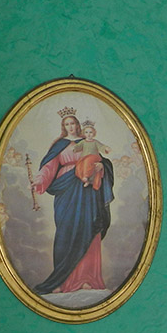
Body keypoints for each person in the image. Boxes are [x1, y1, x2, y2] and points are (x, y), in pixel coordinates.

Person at [29, 110, 115, 295]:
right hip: (66, 189)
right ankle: (62, 281)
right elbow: (49, 167)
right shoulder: (59, 145)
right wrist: (39, 180)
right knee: (66, 230)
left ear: (78, 124)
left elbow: (102, 160)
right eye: (67, 124)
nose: (71, 127)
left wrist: (101, 166)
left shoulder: (88, 142)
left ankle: (88, 279)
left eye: (73, 123)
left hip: (88, 191)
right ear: (63, 127)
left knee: (88, 227)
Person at [73, 121, 110, 190]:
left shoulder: (95, 142)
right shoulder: (83, 142)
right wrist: (74, 148)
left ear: (94, 133)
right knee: (79, 167)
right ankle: (87, 180)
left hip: (94, 157)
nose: (89, 134)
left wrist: (105, 148)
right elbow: (78, 147)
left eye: (90, 132)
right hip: (84, 158)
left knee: (88, 161)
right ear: (84, 133)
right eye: (86, 132)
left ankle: (86, 176)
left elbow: (101, 147)